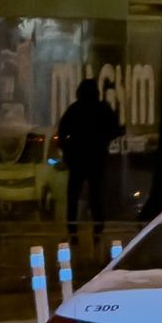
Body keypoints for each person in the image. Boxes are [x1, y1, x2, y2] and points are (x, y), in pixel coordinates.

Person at [57, 76, 124, 245]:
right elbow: (115, 129)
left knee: (73, 195)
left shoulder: (75, 109)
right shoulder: (102, 109)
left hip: (77, 158)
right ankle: (97, 229)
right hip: (96, 158)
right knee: (96, 194)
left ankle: (73, 230)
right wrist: (102, 140)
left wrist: (67, 151)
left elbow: (62, 132)